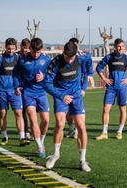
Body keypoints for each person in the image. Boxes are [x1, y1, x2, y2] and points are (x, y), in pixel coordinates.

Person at [43, 41, 90, 172]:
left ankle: (82, 160)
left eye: (72, 57)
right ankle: (56, 154)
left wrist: (84, 86)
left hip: (76, 95)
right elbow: (47, 84)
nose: (69, 61)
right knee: (60, 123)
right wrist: (61, 96)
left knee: (81, 126)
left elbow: (87, 68)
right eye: (67, 57)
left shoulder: (82, 58)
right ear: (63, 52)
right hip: (61, 95)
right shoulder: (55, 62)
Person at [13, 37, 51, 158]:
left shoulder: (46, 60)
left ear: (42, 49)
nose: (36, 54)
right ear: (30, 49)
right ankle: (40, 147)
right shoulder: (22, 61)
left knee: (45, 121)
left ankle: (42, 141)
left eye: (38, 52)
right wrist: (17, 86)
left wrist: (44, 76)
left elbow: (52, 74)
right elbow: (15, 74)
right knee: (33, 119)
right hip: (28, 93)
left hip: (42, 93)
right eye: (34, 52)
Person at [95, 38, 127, 140]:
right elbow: (98, 68)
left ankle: (119, 131)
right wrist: (104, 79)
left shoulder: (126, 58)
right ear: (114, 47)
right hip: (111, 88)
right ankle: (104, 133)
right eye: (118, 46)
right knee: (106, 109)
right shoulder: (109, 57)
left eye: (122, 46)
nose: (120, 48)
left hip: (122, 88)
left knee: (122, 109)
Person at [0, 37, 27, 146]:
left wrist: (22, 86)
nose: (11, 50)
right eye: (9, 48)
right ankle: (4, 136)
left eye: (13, 48)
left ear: (16, 47)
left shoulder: (18, 58)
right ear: (5, 47)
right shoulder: (0, 59)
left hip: (15, 90)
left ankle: (22, 137)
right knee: (2, 113)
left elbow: (24, 72)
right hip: (2, 90)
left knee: (18, 113)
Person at [65, 37, 94, 139]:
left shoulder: (83, 57)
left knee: (78, 110)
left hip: (78, 87)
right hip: (67, 87)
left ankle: (78, 130)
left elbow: (87, 71)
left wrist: (83, 88)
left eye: (76, 45)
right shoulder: (66, 56)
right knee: (67, 110)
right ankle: (71, 128)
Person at [16, 38, 32, 141]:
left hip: (30, 87)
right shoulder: (17, 56)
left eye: (27, 48)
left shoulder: (32, 56)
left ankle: (33, 131)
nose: (25, 50)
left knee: (32, 111)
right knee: (23, 111)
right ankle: (26, 132)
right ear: (21, 46)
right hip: (20, 87)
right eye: (24, 47)